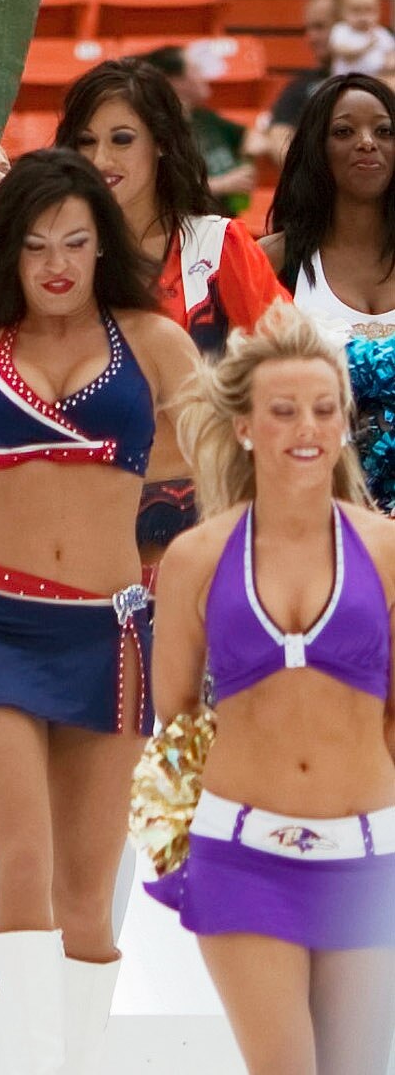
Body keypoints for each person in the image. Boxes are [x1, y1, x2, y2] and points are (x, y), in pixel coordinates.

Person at [0, 148, 198, 1075]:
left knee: (87, 892)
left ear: (103, 248)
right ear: (8, 251)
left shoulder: (153, 340)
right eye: (37, 244)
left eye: (77, 243)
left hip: (111, 632)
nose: (56, 262)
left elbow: (226, 456)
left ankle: (75, 1063)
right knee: (20, 862)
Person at [147, 310, 395, 1075]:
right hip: (241, 856)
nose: (306, 429)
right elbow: (176, 717)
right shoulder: (194, 558)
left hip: (369, 854)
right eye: (283, 411)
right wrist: (171, 846)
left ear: (346, 423)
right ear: (247, 427)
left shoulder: (386, 549)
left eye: (324, 410)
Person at [58, 56, 291, 573]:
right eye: (86, 141)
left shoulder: (219, 245)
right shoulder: (47, 256)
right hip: (74, 527)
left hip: (208, 523)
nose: (102, 158)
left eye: (122, 139)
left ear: (161, 141)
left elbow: (294, 365)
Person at [261, 68, 395, 345]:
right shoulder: (272, 260)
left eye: (384, 131)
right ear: (315, 148)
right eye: (344, 132)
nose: (367, 142)